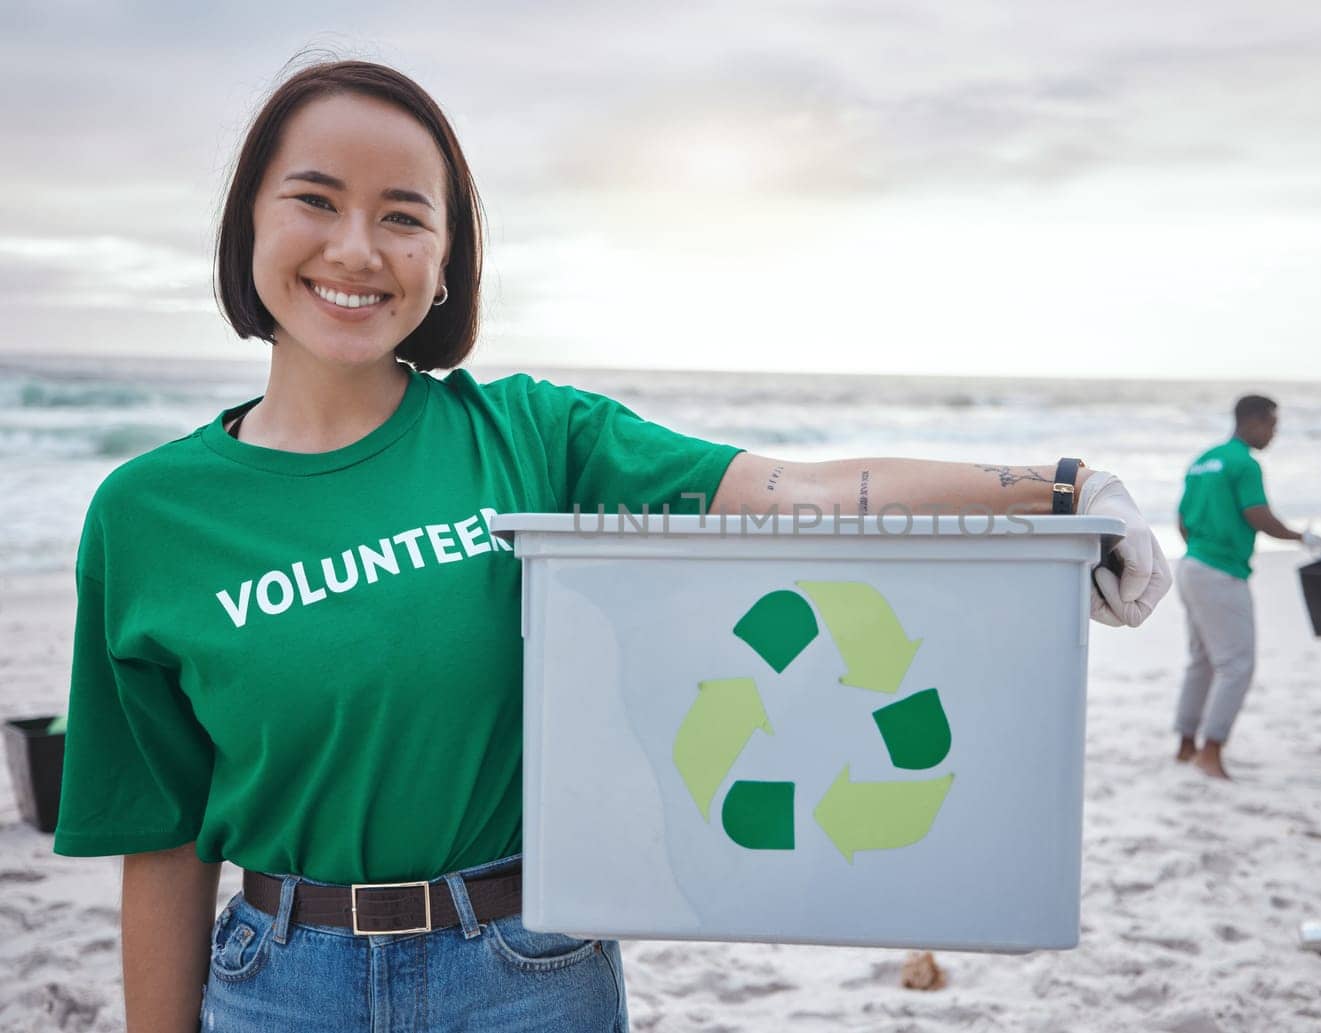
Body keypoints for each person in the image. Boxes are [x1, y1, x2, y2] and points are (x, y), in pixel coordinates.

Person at [50, 60, 1171, 1033]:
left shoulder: (535, 435)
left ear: (447, 260)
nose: (358, 247)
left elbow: (799, 494)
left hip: (525, 966)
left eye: (404, 214)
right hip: (276, 980)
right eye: (315, 200)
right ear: (250, 221)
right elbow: (161, 839)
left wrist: (1055, 492)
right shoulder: (149, 515)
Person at [1173, 394, 1321, 780]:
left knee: (1202, 659)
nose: (1274, 434)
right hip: (1221, 569)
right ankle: (1211, 752)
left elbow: (1181, 519)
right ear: (1255, 421)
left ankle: (1186, 745)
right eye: (1272, 425)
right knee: (1236, 665)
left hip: (1191, 564)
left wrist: (1201, 547)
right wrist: (1298, 537)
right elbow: (1256, 514)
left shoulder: (1202, 460)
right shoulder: (1245, 463)